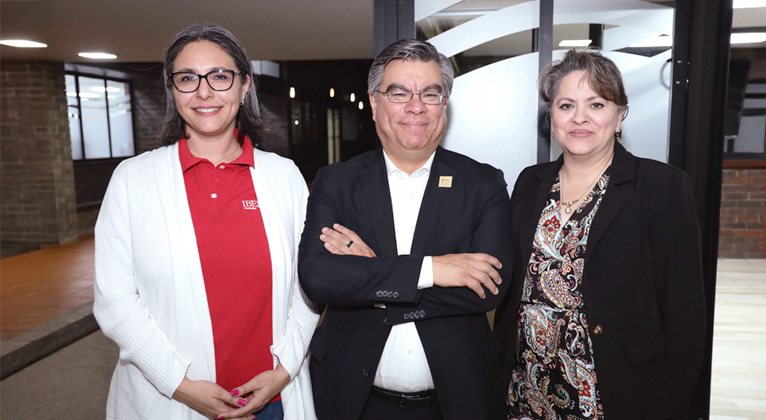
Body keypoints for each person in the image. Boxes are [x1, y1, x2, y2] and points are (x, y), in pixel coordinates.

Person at [94, 23, 317, 420]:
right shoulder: (133, 179)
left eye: (219, 76)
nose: (204, 91)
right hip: (167, 402)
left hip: (273, 403)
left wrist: (283, 373)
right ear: (172, 89)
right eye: (187, 78)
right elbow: (114, 301)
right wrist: (181, 386)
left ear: (244, 86)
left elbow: (309, 286)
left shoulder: (284, 177)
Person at [297, 39, 514, 420]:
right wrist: (433, 270)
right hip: (354, 402)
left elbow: (488, 288)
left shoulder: (483, 183)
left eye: (430, 93)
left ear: (444, 104)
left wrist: (372, 277)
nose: (416, 106)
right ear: (374, 102)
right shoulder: (336, 182)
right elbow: (318, 277)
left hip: (457, 402)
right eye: (399, 93)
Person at [493, 49, 707, 419]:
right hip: (528, 387)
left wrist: (674, 401)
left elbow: (685, 312)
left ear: (619, 115)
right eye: (566, 105)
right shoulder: (530, 182)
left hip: (615, 393)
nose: (579, 118)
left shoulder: (661, 186)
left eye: (596, 104)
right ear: (551, 118)